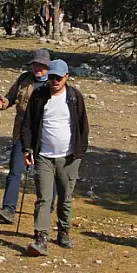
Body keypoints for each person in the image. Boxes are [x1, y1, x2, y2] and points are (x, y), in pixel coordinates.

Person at [20, 59, 89, 256]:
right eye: (52, 77)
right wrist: (27, 149)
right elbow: (27, 124)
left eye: (59, 77)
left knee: (65, 198)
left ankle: (64, 231)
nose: (55, 81)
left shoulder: (75, 97)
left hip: (68, 158)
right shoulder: (39, 96)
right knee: (44, 198)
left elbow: (83, 126)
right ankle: (40, 238)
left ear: (67, 77)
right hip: (43, 157)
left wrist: (79, 153)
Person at [0, 49, 50, 224]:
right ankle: (8, 209)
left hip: (44, 133)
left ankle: (47, 208)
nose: (37, 68)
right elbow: (11, 96)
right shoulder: (24, 79)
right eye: (35, 64)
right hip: (21, 131)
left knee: (45, 174)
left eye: (41, 65)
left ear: (47, 66)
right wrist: (4, 103)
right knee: (15, 170)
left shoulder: (53, 83)